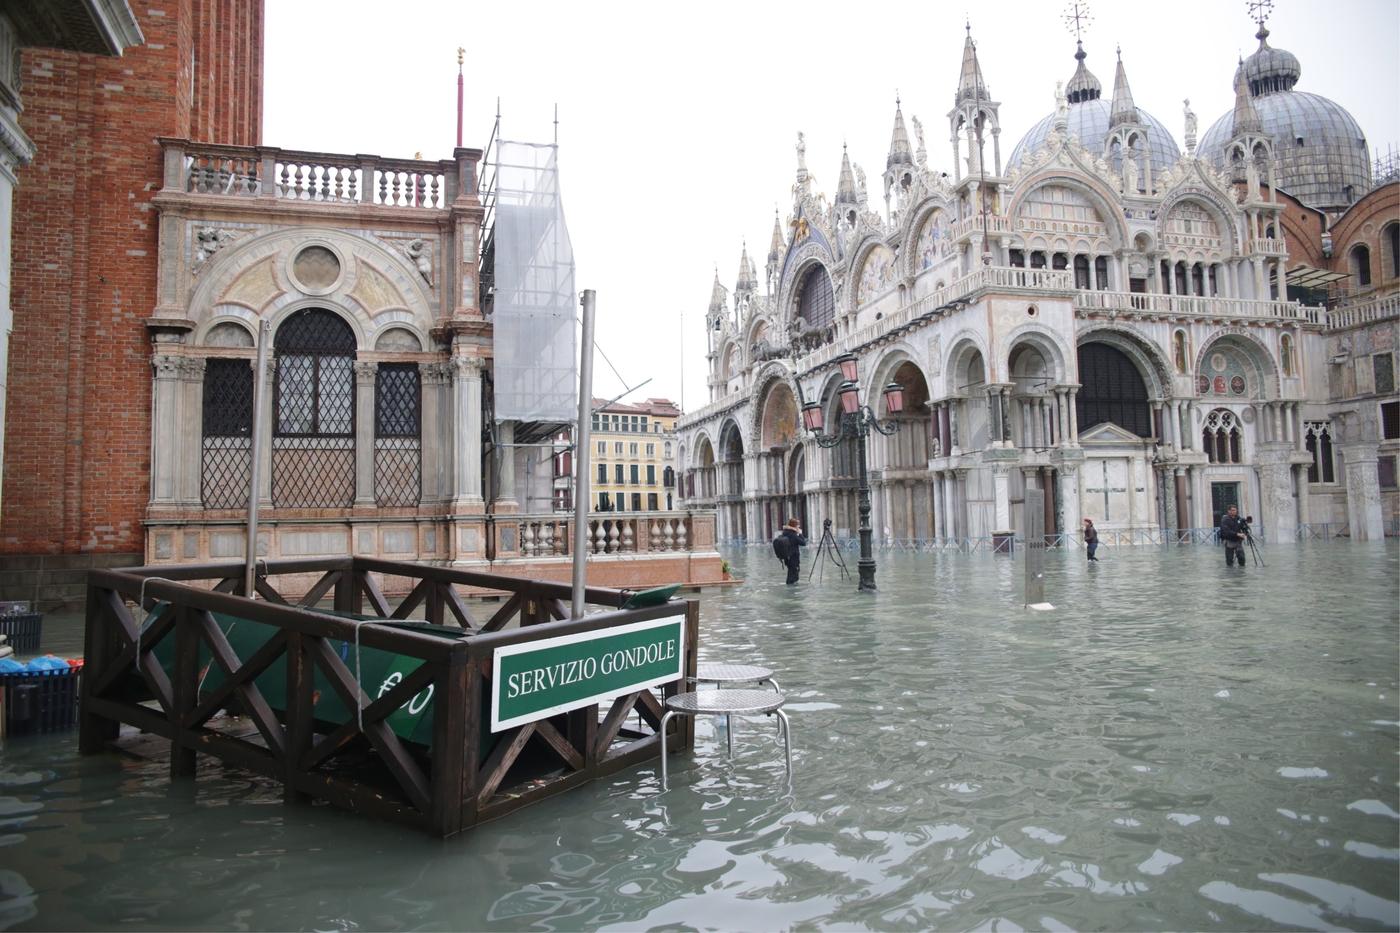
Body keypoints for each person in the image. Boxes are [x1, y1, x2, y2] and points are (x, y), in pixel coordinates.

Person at [780, 518, 807, 585]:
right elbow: (803, 543)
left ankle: (790, 588)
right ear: (794, 526)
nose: (799, 527)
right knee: (794, 575)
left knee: (790, 573)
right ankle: (792, 591)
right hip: (793, 557)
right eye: (798, 525)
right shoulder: (793, 535)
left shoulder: (785, 533)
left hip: (787, 558)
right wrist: (800, 534)